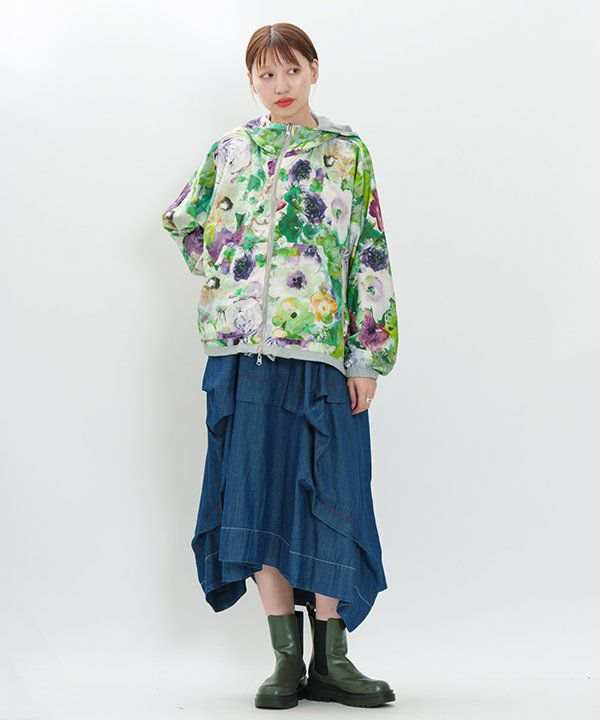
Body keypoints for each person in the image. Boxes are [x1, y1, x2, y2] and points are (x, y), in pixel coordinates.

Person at [161, 22, 399, 710]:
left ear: (314, 70)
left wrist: (366, 354)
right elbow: (183, 220)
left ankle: (333, 660)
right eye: (266, 74)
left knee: (333, 494)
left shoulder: (347, 153)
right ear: (252, 83)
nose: (281, 85)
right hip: (244, 355)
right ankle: (287, 663)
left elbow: (369, 253)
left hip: (324, 356)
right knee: (256, 494)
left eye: (291, 70)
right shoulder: (230, 151)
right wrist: (229, 273)